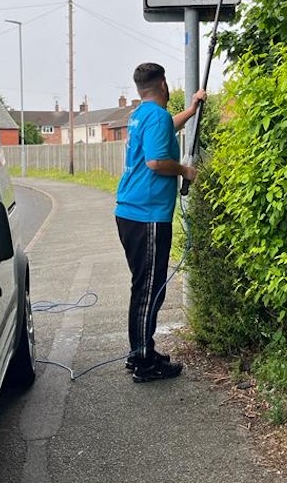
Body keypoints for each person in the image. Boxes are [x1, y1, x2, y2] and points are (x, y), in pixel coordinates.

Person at [115, 62, 205, 383]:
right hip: (147, 215)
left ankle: (142, 351)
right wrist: (185, 170)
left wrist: (191, 111)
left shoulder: (141, 115)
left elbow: (166, 127)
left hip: (130, 212)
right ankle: (142, 360)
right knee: (149, 289)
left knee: (145, 286)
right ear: (164, 85)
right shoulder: (156, 116)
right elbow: (155, 161)